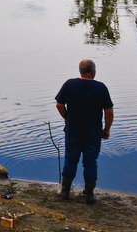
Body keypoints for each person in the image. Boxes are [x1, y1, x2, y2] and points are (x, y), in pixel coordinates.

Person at [55, 58, 114, 204]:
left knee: (71, 159)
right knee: (90, 162)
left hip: (73, 131)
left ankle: (65, 192)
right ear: (93, 72)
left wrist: (67, 117)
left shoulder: (69, 84)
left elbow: (59, 105)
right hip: (93, 133)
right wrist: (106, 129)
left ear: (80, 71)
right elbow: (109, 112)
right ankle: (89, 195)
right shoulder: (100, 88)